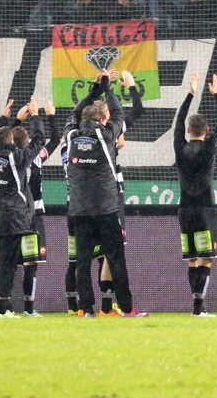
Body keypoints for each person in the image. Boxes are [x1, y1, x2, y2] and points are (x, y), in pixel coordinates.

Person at [63, 70, 147, 318]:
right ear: (103, 118)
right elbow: (120, 114)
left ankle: (86, 309)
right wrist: (108, 88)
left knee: (83, 262)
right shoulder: (108, 134)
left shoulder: (71, 135)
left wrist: (94, 90)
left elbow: (73, 115)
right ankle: (127, 308)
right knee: (116, 259)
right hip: (107, 208)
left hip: (79, 210)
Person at [0, 97, 45, 319]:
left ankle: (3, 304)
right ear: (10, 142)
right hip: (12, 219)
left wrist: (8, 118)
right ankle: (2, 308)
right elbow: (39, 140)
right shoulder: (17, 157)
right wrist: (34, 116)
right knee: (7, 263)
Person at [172, 72, 217, 316]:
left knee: (193, 259)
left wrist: (190, 93)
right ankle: (199, 308)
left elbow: (177, 121)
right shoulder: (209, 148)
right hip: (205, 210)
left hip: (184, 210)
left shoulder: (180, 147)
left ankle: (197, 308)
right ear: (206, 129)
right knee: (206, 258)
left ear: (187, 130)